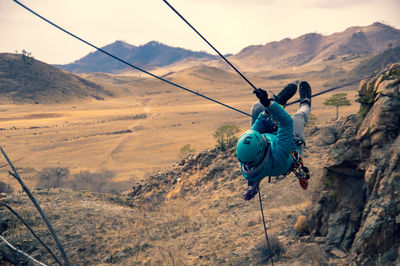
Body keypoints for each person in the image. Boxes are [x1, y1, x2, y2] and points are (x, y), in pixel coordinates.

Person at [236, 81, 312, 200]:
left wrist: (266, 108)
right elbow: (286, 122)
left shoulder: (246, 159)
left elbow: (257, 128)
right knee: (299, 117)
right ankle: (306, 102)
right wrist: (269, 105)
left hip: (270, 142)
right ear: (261, 147)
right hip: (291, 146)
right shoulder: (279, 155)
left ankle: (277, 102)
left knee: (257, 107)